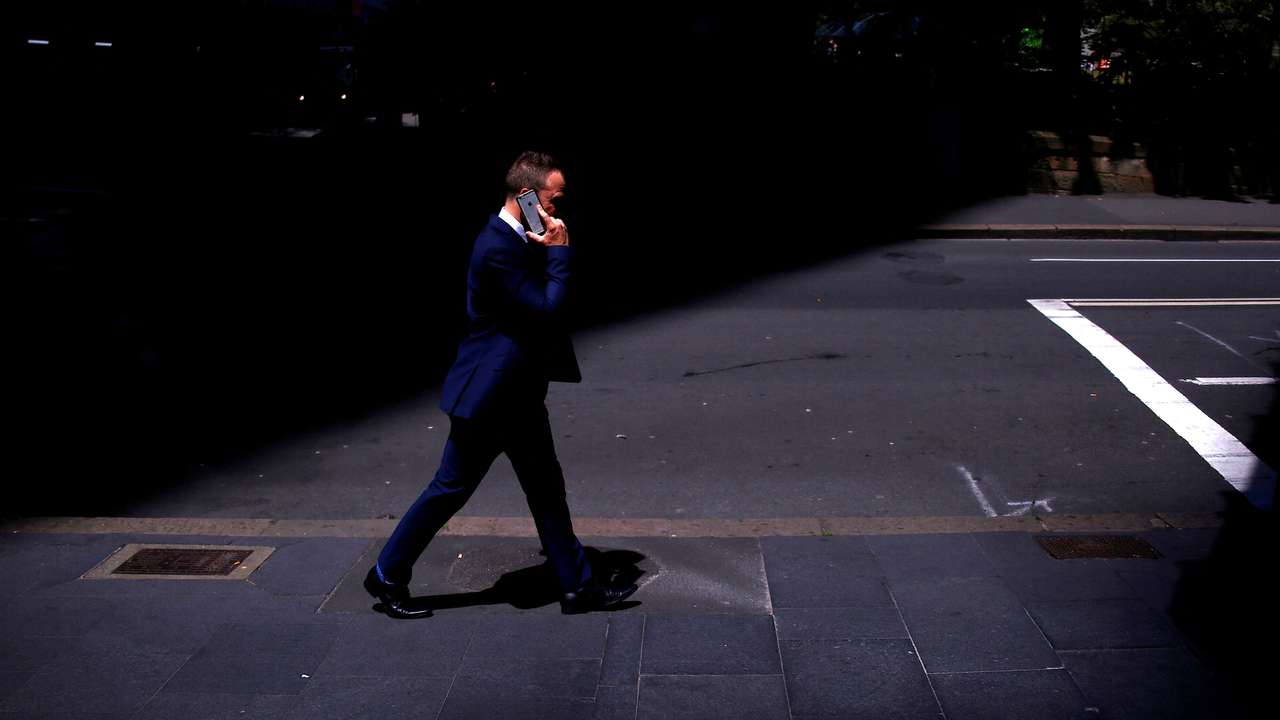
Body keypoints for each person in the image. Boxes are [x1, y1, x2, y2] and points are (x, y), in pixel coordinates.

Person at [363, 151, 637, 618]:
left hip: (519, 393)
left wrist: (544, 242)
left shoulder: (520, 235)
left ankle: (577, 587)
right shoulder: (496, 247)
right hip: (490, 398)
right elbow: (546, 309)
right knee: (450, 489)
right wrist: (559, 252)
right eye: (554, 197)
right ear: (527, 194)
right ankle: (387, 574)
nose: (559, 206)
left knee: (546, 487)